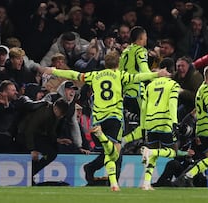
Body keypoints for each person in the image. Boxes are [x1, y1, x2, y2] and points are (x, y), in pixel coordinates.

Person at [42, 50, 170, 191]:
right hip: (114, 117)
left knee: (111, 152)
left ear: (105, 63)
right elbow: (138, 77)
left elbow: (74, 75)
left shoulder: (95, 75)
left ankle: (112, 182)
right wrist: (157, 74)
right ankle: (112, 181)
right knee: (115, 152)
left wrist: (55, 71)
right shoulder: (120, 75)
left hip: (98, 119)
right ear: (118, 63)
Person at [139, 57, 180, 190]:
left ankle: (146, 183)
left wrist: (143, 126)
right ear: (171, 70)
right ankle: (151, 152)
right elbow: (172, 104)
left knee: (153, 156)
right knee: (173, 152)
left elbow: (144, 107)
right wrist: (174, 123)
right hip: (165, 122)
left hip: (150, 122)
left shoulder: (150, 85)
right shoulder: (173, 85)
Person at [18, 98, 69, 177]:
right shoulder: (44, 112)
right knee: (51, 153)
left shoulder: (55, 115)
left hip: (37, 135)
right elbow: (29, 130)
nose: (61, 116)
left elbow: (50, 131)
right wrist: (32, 149)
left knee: (52, 152)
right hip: (25, 134)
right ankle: (30, 173)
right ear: (55, 108)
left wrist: (57, 140)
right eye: (61, 114)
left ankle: (31, 173)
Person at [118, 26, 150, 144]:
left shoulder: (125, 51)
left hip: (126, 93)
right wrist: (157, 75)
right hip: (137, 93)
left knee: (130, 122)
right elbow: (145, 71)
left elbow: (120, 72)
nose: (146, 39)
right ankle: (125, 141)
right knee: (146, 124)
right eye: (145, 37)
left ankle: (127, 143)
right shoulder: (141, 51)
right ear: (141, 38)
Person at [173, 56, 203, 121]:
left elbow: (198, 96)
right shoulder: (177, 75)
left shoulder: (195, 77)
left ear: (188, 66)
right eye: (178, 66)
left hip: (194, 106)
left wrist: (182, 92)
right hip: (182, 102)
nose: (180, 68)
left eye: (183, 66)